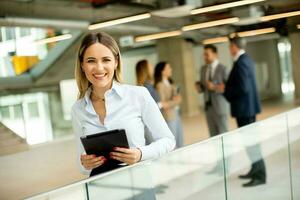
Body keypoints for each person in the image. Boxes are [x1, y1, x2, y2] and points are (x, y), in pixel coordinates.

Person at [71, 32, 175, 176]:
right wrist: (85, 163)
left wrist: (140, 154)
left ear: (116, 62)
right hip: (100, 189)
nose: (99, 68)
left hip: (137, 183)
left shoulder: (139, 95)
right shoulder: (78, 109)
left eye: (106, 60)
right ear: (82, 65)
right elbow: (81, 164)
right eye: (91, 61)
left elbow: (168, 140)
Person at [224, 37, 266, 187]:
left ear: (234, 46)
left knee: (252, 144)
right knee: (250, 143)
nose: (229, 49)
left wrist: (225, 90)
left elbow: (242, 88)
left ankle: (260, 175)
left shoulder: (241, 62)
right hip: (247, 109)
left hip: (245, 110)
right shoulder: (245, 59)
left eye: (230, 46)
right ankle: (255, 170)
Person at [195, 44, 229, 137]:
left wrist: (214, 87)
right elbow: (203, 88)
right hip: (208, 108)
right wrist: (199, 87)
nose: (204, 57)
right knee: (213, 136)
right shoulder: (203, 69)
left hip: (220, 107)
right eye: (204, 54)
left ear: (215, 54)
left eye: (207, 54)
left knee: (224, 134)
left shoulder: (223, 69)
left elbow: (228, 88)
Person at [154, 62, 184, 148]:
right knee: (173, 143)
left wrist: (174, 100)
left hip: (176, 113)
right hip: (169, 116)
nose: (171, 69)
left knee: (180, 140)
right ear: (162, 71)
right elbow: (164, 104)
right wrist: (176, 101)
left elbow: (174, 99)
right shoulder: (160, 85)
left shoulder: (170, 82)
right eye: (168, 68)